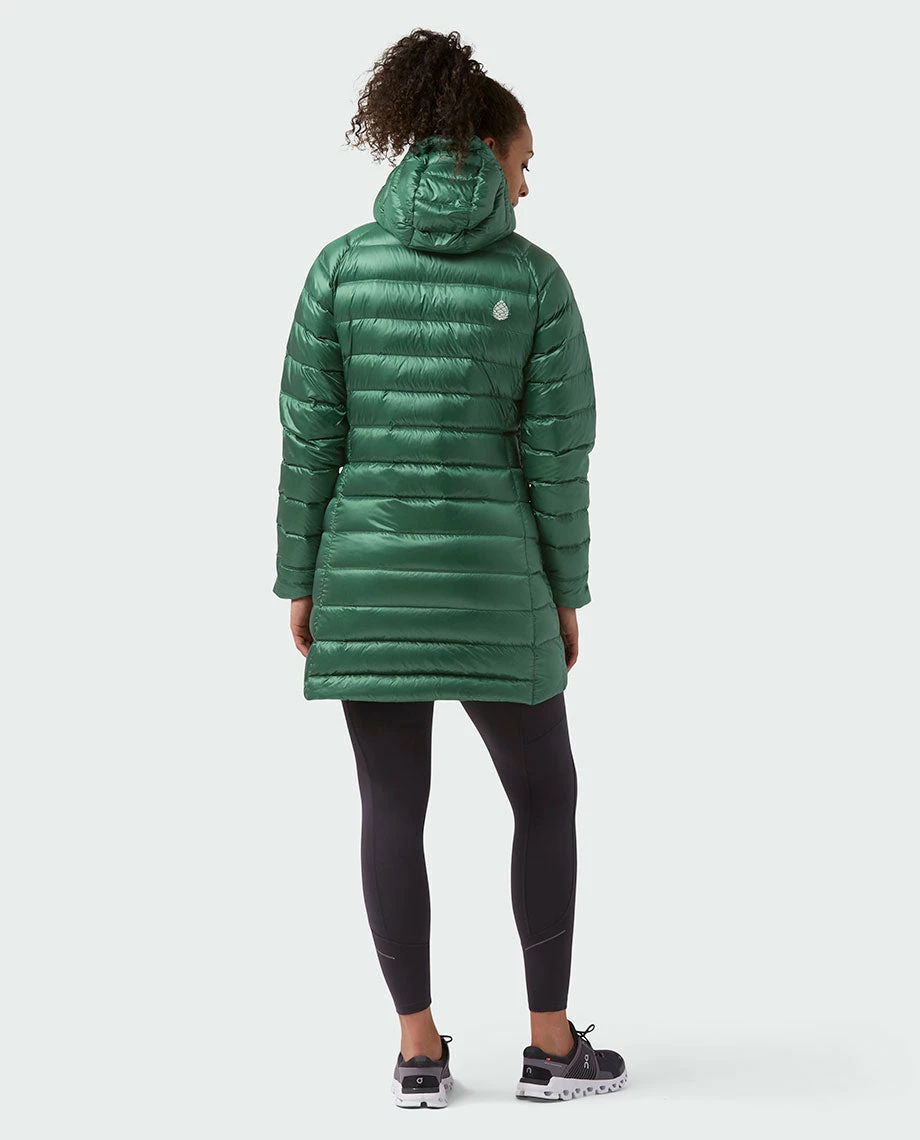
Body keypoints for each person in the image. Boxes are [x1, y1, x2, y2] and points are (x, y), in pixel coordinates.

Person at [272, 28, 627, 1108]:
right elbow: (556, 456)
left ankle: (418, 1054)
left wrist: (303, 579)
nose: (527, 183)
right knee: (546, 796)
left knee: (391, 807)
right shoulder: (534, 280)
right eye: (525, 161)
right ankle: (550, 1046)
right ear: (488, 151)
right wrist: (565, 592)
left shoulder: (339, 267)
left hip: (364, 582)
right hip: (497, 589)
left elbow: (308, 441)